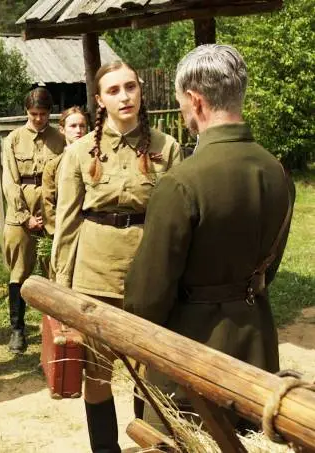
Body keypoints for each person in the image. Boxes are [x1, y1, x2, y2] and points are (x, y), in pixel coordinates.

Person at [124, 44, 293, 433]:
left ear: (196, 101)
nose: (183, 111)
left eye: (182, 103)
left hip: (191, 360)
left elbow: (146, 298)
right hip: (257, 350)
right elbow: (268, 268)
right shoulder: (277, 172)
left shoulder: (181, 183)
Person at [51, 61, 183, 452]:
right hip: (94, 279)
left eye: (130, 87)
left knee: (150, 376)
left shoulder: (166, 148)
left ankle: (151, 446)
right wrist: (61, 291)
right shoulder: (79, 153)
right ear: (99, 100)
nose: (124, 96)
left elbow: (178, 221)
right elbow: (67, 223)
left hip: (148, 278)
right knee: (97, 375)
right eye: (113, 90)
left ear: (140, 90)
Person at [1, 87, 65, 353]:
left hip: (52, 211)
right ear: (26, 111)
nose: (38, 119)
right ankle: (17, 330)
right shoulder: (13, 140)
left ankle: (54, 329)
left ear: (50, 113)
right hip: (21, 214)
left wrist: (52, 215)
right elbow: (9, 181)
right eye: (33, 114)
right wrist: (25, 217)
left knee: (55, 271)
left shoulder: (60, 140)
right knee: (18, 271)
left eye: (43, 114)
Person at [43, 107, 88, 238]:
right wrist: (58, 232)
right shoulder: (53, 166)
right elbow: (47, 204)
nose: (78, 130)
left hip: (91, 232)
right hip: (64, 231)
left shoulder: (96, 161)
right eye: (73, 126)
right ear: (62, 130)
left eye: (82, 126)